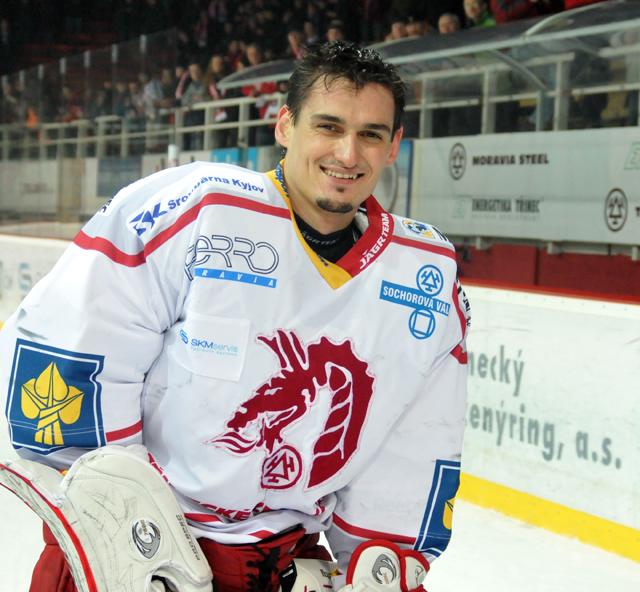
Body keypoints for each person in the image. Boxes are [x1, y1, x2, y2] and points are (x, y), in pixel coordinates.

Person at [0, 41, 469, 592]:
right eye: (329, 126)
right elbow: (77, 344)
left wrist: (378, 561)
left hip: (278, 569)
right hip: (125, 559)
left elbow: (416, 442)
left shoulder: (424, 275)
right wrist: (126, 528)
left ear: (393, 147)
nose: (348, 153)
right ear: (285, 125)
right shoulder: (200, 208)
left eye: (370, 134)